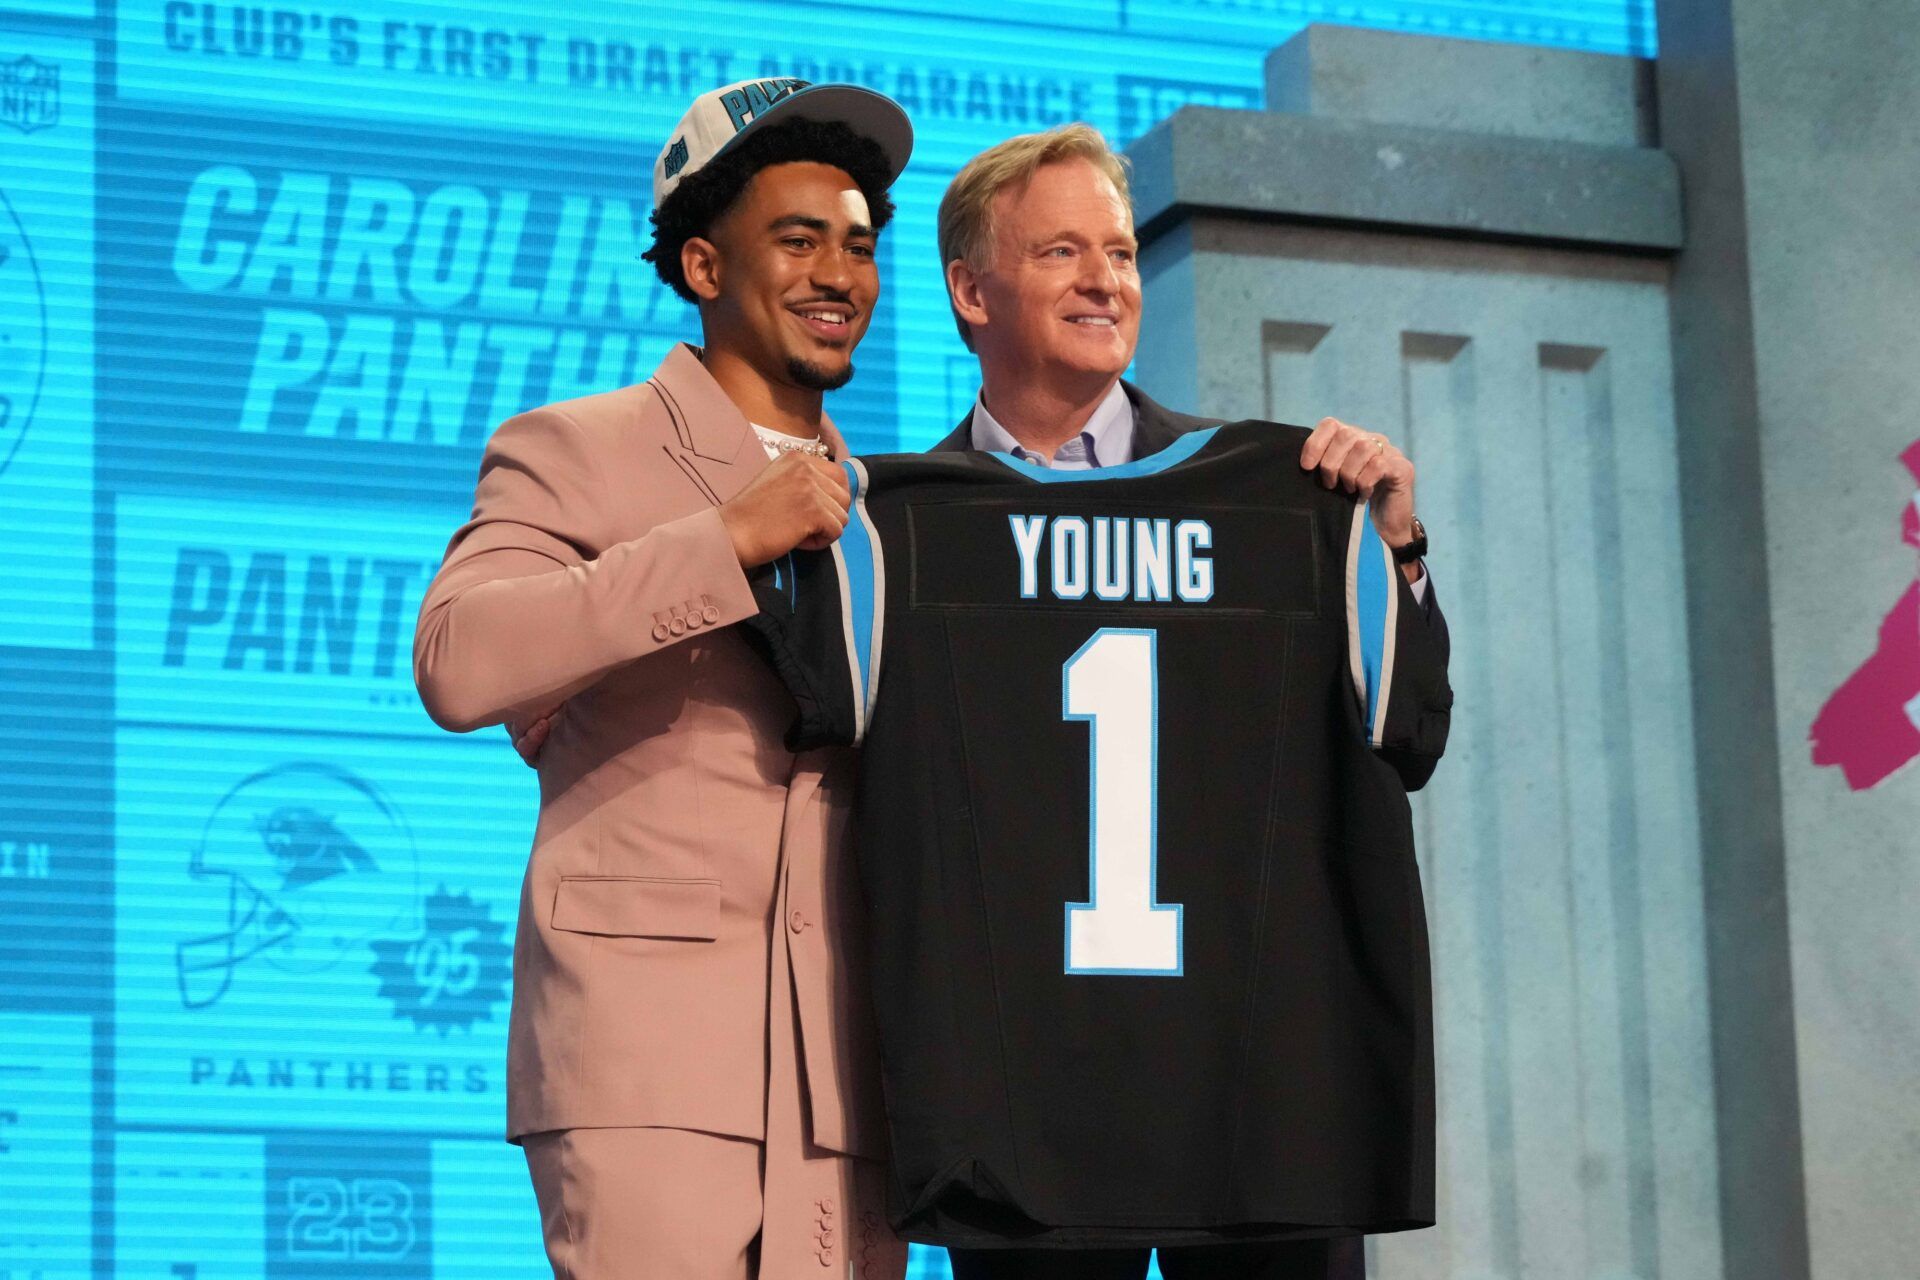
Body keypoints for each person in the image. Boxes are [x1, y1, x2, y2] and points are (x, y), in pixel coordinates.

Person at [412, 78, 915, 1279]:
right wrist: (722, 539)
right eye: (796, 240)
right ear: (701, 265)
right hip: (645, 1060)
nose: (838, 273)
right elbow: (458, 661)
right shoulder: (575, 445)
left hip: (849, 1080)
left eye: (858, 244)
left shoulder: (888, 511)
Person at [926, 124, 1447, 1280]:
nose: (1106, 277)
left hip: (1261, 1100)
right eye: (1062, 250)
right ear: (972, 290)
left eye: (1117, 250)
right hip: (1027, 1122)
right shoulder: (904, 534)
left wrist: (1394, 546)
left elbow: (1408, 732)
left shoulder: (1281, 500)